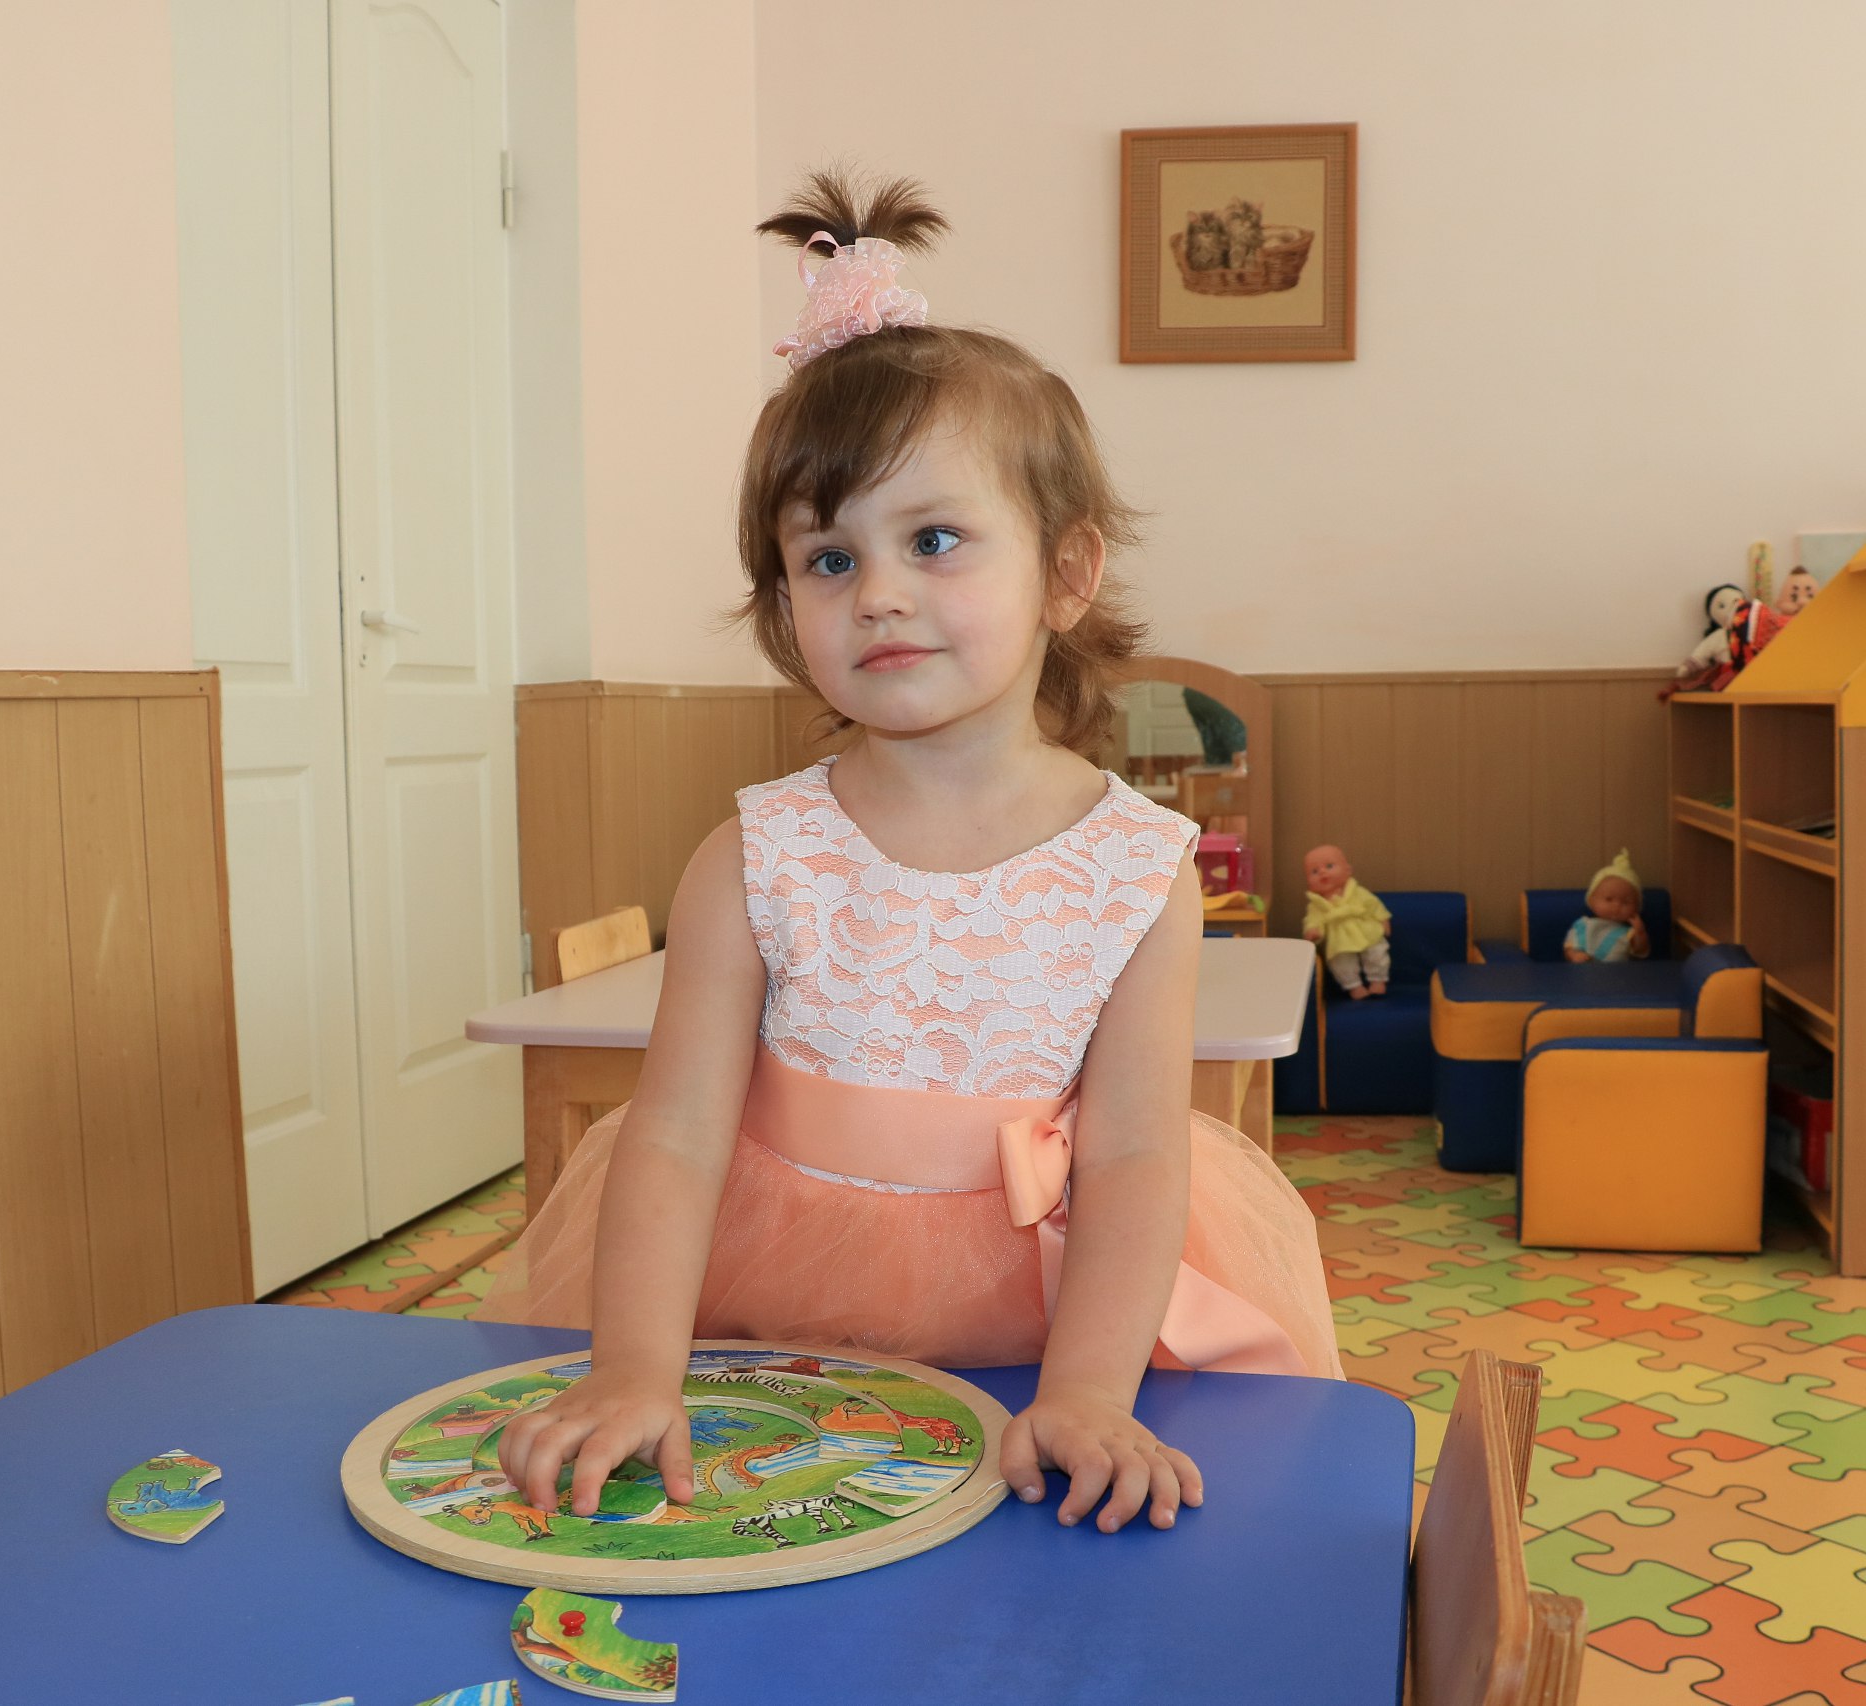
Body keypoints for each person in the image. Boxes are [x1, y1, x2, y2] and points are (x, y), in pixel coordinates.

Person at [476, 169, 1339, 1539]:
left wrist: (1088, 1392)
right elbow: (676, 1135)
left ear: (1065, 575)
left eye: (933, 540)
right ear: (783, 605)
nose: (878, 591)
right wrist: (635, 1368)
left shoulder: (1137, 870)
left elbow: (1131, 1157)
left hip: (1041, 1319)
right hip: (770, 1322)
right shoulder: (752, 856)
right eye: (827, 559)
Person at [1300, 844, 1390, 997]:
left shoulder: (1357, 892)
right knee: (1340, 962)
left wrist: (1383, 920)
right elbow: (1312, 920)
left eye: (1329, 866)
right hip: (1339, 938)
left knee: (1377, 951)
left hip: (1365, 930)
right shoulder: (1316, 904)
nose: (1322, 872)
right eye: (1314, 871)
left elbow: (1374, 905)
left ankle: (1378, 980)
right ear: (1308, 882)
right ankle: (1354, 986)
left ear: (1348, 870)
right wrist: (1312, 930)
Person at [1564, 849, 1652, 961]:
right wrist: (1574, 955)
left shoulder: (1629, 933)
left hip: (1618, 972)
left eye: (1626, 902)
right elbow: (1569, 947)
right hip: (1584, 970)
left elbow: (1640, 950)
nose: (1616, 906)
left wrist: (1640, 932)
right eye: (1609, 899)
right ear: (1591, 900)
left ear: (1636, 907)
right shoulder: (1582, 925)